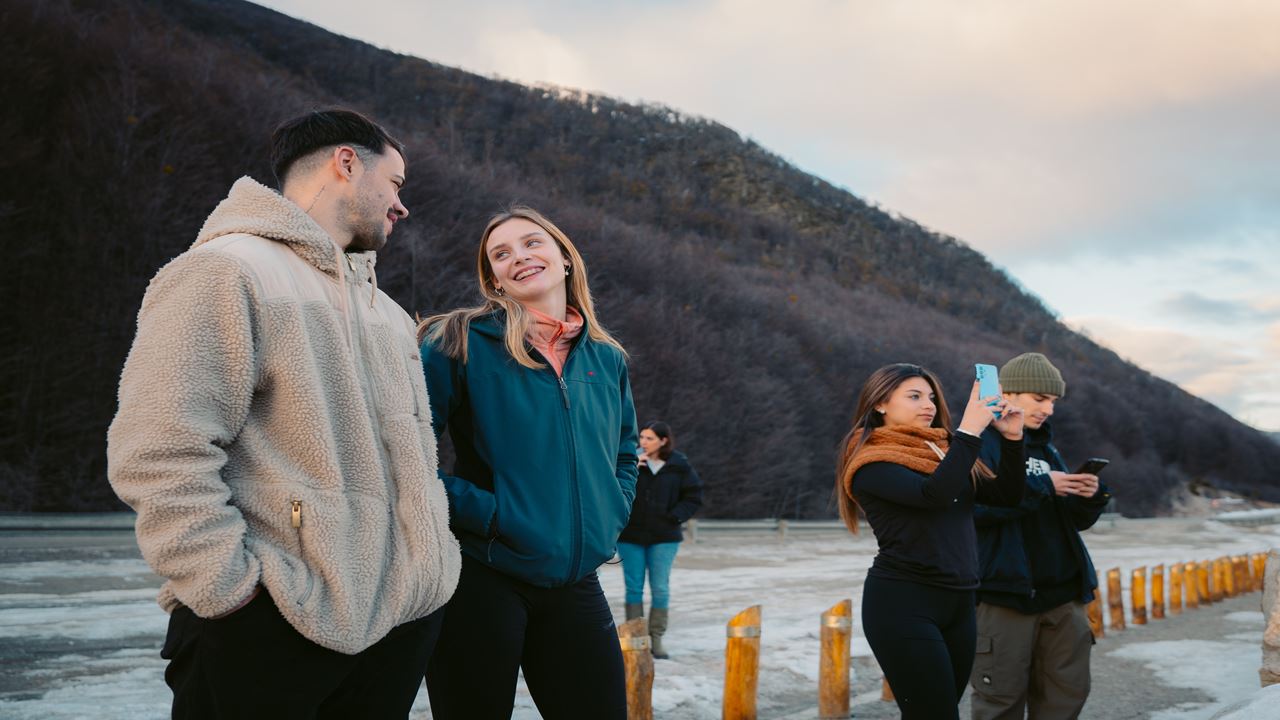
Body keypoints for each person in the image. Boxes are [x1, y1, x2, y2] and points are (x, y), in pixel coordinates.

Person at [106, 109, 461, 719]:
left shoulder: (392, 316)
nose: (401, 207)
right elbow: (159, 451)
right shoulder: (225, 271)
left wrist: (427, 581)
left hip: (396, 627)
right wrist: (232, 594)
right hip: (271, 623)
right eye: (397, 183)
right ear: (346, 162)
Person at [418, 206, 638, 720]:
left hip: (576, 578)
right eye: (501, 254)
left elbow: (626, 452)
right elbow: (403, 450)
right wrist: (491, 516)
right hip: (483, 573)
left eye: (532, 243)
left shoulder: (606, 358)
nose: (519, 257)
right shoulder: (458, 341)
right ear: (494, 280)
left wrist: (612, 511)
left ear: (563, 258)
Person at [836, 363, 1026, 720]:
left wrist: (1013, 439)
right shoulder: (870, 463)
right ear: (880, 404)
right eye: (914, 396)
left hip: (959, 600)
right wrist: (970, 429)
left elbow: (1006, 495)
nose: (929, 405)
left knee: (938, 712)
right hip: (904, 603)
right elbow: (933, 495)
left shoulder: (942, 450)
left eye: (931, 397)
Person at [970, 352, 1112, 719]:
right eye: (1039, 398)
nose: (1048, 409)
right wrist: (1042, 486)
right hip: (1004, 594)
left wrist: (1089, 496)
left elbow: (1069, 522)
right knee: (1000, 700)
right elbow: (973, 511)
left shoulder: (1048, 448)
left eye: (1052, 401)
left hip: (1064, 594)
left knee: (1066, 695)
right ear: (1009, 394)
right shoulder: (980, 443)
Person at [617, 420, 703, 659]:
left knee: (660, 588)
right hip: (630, 535)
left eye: (649, 438)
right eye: (641, 437)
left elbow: (694, 496)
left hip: (665, 537)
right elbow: (613, 489)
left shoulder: (679, 465)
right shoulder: (628, 461)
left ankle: (656, 638)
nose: (643, 442)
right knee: (633, 587)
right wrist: (633, 466)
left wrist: (674, 517)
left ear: (663, 441)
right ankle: (635, 638)